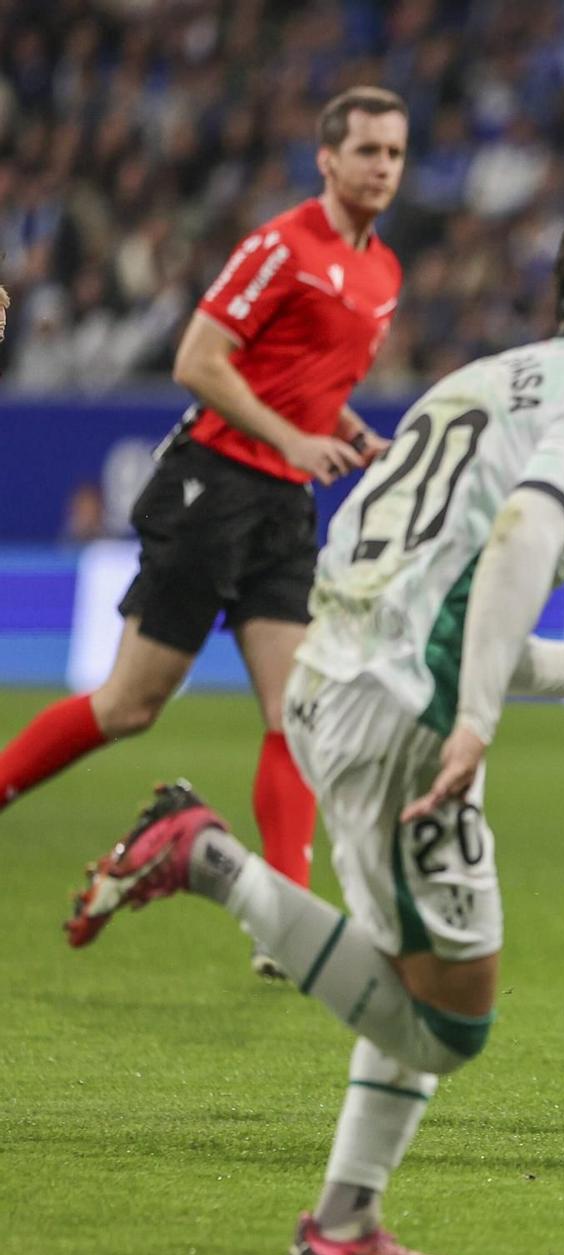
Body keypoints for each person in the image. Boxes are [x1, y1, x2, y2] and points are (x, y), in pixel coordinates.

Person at [65, 183, 564, 1255]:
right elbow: (525, 531)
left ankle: (341, 1226)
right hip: (404, 716)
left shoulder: (474, 383)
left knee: (410, 972)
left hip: (340, 677)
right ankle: (207, 858)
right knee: (452, 1019)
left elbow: (459, 608)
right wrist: (471, 719)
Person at [0, 87, 411, 981]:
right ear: (327, 160)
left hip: (284, 506)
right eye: (368, 151)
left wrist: (339, 428)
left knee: (294, 715)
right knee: (129, 706)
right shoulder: (281, 246)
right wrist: (294, 436)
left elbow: (300, 379)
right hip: (212, 488)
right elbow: (197, 360)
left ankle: (285, 922)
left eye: (396, 153)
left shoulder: (384, 272)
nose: (383, 167)